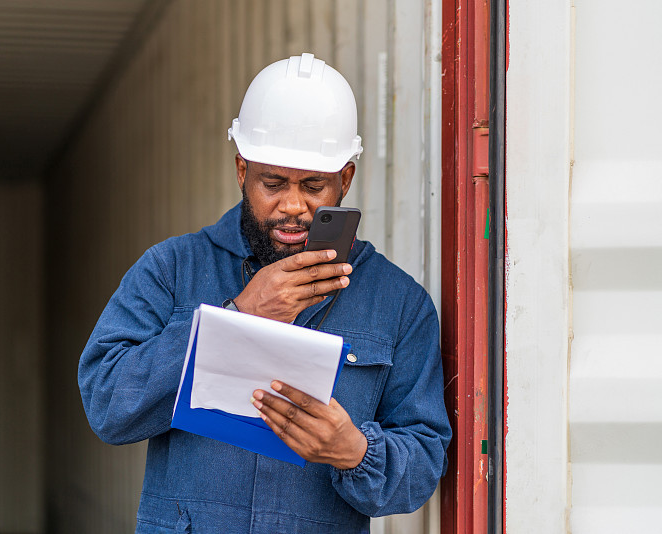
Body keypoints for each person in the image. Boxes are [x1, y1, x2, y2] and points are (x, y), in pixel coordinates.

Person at [78, 53, 451, 533]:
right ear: (241, 171)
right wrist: (238, 314)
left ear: (346, 180)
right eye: (272, 183)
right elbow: (108, 406)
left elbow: (422, 465)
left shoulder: (399, 304)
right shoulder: (172, 269)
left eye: (314, 186)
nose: (293, 206)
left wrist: (356, 452)